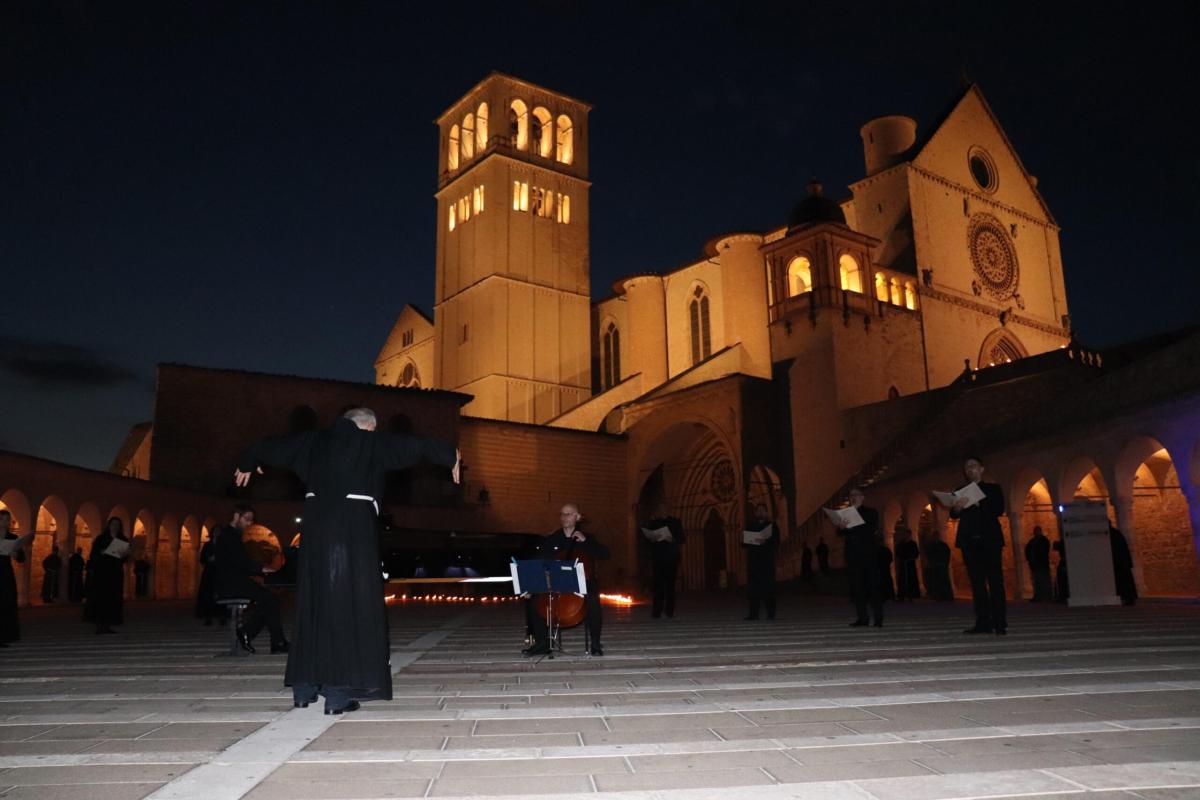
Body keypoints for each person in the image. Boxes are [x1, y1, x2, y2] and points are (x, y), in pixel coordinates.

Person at [235, 406, 460, 715]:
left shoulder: (313, 441)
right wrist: (451, 455)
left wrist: (250, 459)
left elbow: (270, 445)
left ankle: (304, 687)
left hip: (314, 526)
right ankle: (338, 693)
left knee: (314, 600)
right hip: (352, 528)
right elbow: (419, 445)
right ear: (367, 427)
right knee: (348, 601)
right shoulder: (370, 443)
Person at [523, 503, 610, 656]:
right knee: (534, 600)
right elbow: (541, 560)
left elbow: (604, 554)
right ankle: (543, 642)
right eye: (562, 514)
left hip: (582, 582)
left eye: (569, 514)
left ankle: (595, 643)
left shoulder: (588, 538)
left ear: (577, 517)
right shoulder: (553, 538)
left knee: (593, 601)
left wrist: (586, 542)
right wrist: (531, 585)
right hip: (556, 582)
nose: (564, 517)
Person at [213, 504, 287, 653]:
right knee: (270, 600)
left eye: (251, 521)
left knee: (270, 600)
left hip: (235, 581)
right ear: (236, 517)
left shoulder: (233, 535)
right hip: (231, 583)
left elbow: (241, 561)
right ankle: (272, 640)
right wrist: (261, 569)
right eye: (247, 519)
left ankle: (256, 635)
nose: (249, 523)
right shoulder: (228, 536)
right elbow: (240, 561)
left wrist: (259, 569)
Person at [951, 457, 1008, 635]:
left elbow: (999, 509)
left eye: (973, 466)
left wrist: (978, 502)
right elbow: (954, 514)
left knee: (995, 581)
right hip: (969, 541)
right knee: (977, 584)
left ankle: (999, 622)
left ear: (982, 469)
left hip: (990, 540)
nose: (970, 469)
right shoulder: (960, 490)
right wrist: (958, 507)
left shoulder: (993, 488)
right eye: (967, 467)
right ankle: (982, 622)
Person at [833, 488, 883, 627]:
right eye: (851, 495)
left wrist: (853, 521)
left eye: (856, 495)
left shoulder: (871, 512)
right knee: (857, 587)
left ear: (862, 497)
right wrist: (842, 526)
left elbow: (872, 528)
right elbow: (839, 533)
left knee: (873, 586)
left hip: (868, 553)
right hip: (853, 555)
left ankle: (878, 618)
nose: (853, 497)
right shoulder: (846, 514)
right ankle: (863, 618)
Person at [83, 517, 129, 634]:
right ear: (109, 525)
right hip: (102, 573)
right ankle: (99, 625)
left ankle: (108, 624)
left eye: (118, 524)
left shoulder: (122, 539)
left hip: (115, 573)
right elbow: (93, 555)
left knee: (112, 598)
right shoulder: (101, 539)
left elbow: (124, 559)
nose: (115, 526)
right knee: (100, 598)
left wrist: (124, 554)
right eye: (113, 524)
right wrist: (102, 553)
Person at [643, 504, 684, 619]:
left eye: (663, 508)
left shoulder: (675, 522)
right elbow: (647, 541)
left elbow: (682, 538)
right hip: (658, 558)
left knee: (670, 586)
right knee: (658, 586)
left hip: (671, 558)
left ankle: (669, 611)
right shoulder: (654, 523)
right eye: (659, 509)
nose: (661, 510)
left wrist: (671, 538)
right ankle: (656, 611)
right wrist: (651, 536)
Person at [742, 503, 779, 620]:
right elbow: (743, 543)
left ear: (766, 513)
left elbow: (776, 542)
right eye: (758, 510)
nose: (761, 512)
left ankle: (771, 614)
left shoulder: (772, 527)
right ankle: (753, 614)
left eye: (763, 510)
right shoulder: (750, 526)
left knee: (769, 588)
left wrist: (765, 542)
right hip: (754, 562)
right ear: (755, 513)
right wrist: (753, 539)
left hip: (767, 562)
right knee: (753, 590)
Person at [1, 510, 31, 647]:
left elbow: (22, 558)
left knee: (6, 604)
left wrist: (15, 554)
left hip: (5, 573)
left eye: (8, 520)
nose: (5, 523)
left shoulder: (12, 537)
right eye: (2, 519)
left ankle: (4, 636)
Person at [195, 530, 225, 625]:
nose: (217, 533)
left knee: (221, 595)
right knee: (208, 595)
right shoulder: (207, 545)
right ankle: (208, 617)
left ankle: (222, 616)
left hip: (220, 572)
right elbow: (202, 559)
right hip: (209, 572)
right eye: (216, 531)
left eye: (219, 532)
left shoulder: (224, 545)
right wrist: (209, 559)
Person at [1109, 525, 1137, 606]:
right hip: (1122, 562)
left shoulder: (1112, 535)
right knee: (1126, 581)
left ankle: (1127, 597)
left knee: (1123, 581)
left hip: (1119, 562)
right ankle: (1128, 597)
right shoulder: (1116, 534)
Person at [1024, 526, 1053, 602]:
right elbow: (1027, 550)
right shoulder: (1032, 541)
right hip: (1035, 565)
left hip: (1042, 564)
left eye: (1037, 531)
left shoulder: (1044, 541)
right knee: (1036, 581)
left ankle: (1047, 596)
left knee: (1044, 580)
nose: (1036, 532)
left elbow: (1044, 551)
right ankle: (1038, 596)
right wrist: (1029, 560)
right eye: (1035, 531)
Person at [925, 533, 954, 601]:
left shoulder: (943, 545)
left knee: (944, 581)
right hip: (935, 566)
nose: (935, 538)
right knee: (936, 582)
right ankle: (937, 596)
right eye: (934, 537)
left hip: (942, 565)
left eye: (936, 536)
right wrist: (931, 563)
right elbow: (929, 555)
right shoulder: (932, 546)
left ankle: (946, 596)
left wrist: (944, 563)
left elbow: (947, 554)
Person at [895, 527, 921, 600]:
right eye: (905, 534)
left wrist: (910, 558)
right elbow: (898, 553)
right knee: (902, 579)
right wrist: (902, 558)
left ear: (910, 535)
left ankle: (911, 595)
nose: (906, 535)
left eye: (908, 534)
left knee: (911, 579)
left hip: (910, 564)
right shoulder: (901, 544)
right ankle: (902, 595)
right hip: (903, 564)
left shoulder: (913, 544)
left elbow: (916, 553)